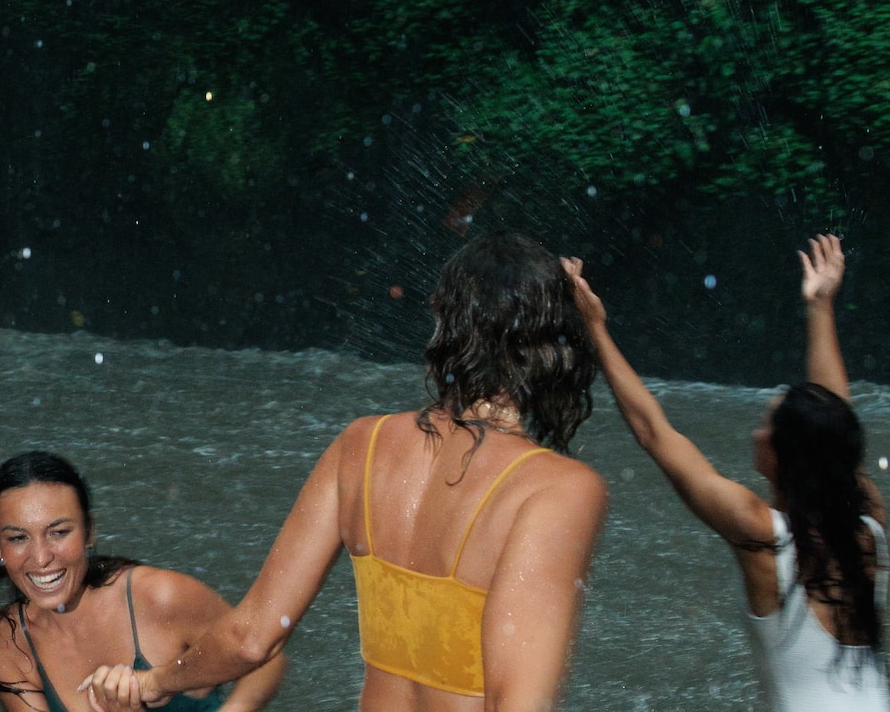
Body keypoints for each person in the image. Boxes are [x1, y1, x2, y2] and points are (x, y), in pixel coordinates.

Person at [82, 231, 609, 712]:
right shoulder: (558, 490)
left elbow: (252, 637)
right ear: (556, 346)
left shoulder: (363, 445)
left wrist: (154, 682)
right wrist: (592, 328)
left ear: (446, 326)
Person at [569, 234, 888, 710]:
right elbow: (834, 428)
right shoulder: (869, 527)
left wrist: (594, 327)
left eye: (766, 426)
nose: (756, 433)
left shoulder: (761, 534)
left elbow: (654, 431)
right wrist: (821, 308)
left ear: (784, 456)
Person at [0, 450, 288, 712]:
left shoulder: (160, 598)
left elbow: (265, 658)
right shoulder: (6, 643)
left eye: (59, 532)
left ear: (89, 531)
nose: (41, 558)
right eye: (18, 538)